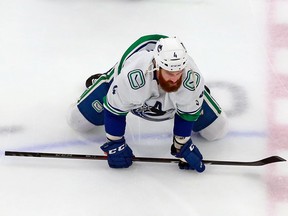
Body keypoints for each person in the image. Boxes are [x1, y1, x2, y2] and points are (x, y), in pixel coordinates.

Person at [67, 34, 229, 172]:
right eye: (169, 72)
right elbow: (115, 111)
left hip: (173, 95)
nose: (174, 79)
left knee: (217, 130)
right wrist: (115, 143)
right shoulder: (133, 77)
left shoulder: (191, 79)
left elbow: (186, 115)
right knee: (77, 122)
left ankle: (198, 97)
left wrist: (182, 144)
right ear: (156, 66)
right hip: (127, 85)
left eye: (179, 72)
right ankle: (107, 80)